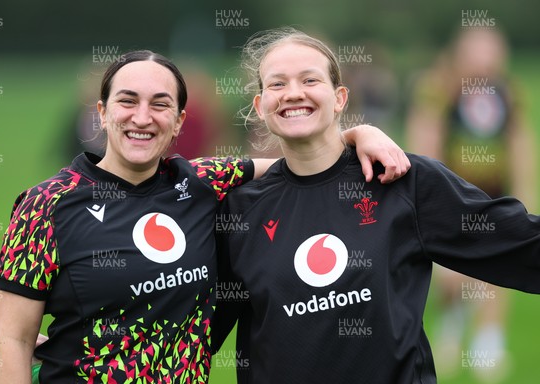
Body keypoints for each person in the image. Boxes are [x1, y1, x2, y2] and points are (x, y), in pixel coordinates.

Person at [0, 49, 408, 384]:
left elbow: (298, 164)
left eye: (160, 104)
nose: (142, 117)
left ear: (178, 122)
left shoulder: (204, 181)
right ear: (101, 113)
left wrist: (357, 133)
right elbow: (14, 341)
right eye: (127, 101)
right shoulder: (46, 206)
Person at [212, 27, 540, 384]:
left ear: (340, 98)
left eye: (309, 80)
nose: (293, 93)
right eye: (277, 84)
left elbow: (519, 243)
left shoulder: (400, 182)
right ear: (260, 107)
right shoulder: (240, 213)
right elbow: (195, 330)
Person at [406, 27, 537, 381]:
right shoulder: (440, 89)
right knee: (453, 277)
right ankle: (453, 324)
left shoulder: (507, 93)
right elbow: (425, 141)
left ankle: (488, 346)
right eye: (479, 53)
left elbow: (519, 141)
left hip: (494, 193)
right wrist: (429, 194)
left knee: (500, 264)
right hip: (452, 195)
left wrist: (525, 190)